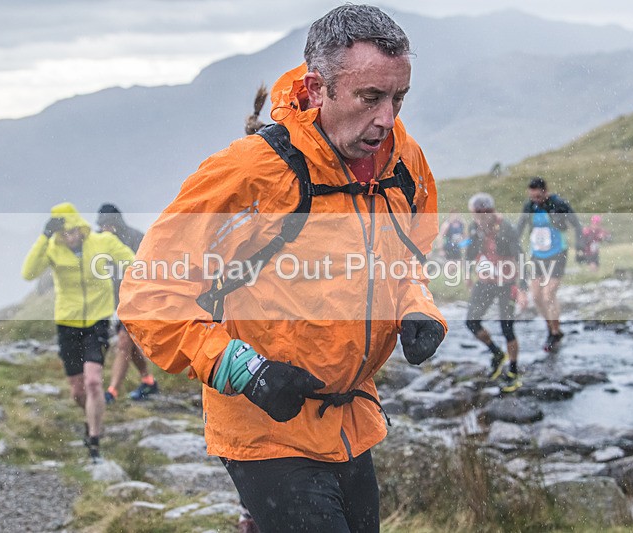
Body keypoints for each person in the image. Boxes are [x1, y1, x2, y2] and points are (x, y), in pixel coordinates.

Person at [119, 5, 446, 532]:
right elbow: (149, 294)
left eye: (398, 98)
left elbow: (409, 252)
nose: (387, 119)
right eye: (370, 98)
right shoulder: (251, 174)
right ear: (317, 90)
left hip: (351, 419)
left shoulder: (402, 161)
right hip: (265, 430)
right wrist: (243, 371)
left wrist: (416, 307)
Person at [22, 203, 135, 462]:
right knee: (78, 390)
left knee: (94, 382)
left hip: (97, 321)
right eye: (64, 233)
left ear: (81, 227)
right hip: (68, 324)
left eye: (73, 231)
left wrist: (133, 289)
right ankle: (90, 417)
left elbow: (132, 261)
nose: (70, 237)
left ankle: (94, 441)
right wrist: (44, 237)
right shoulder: (52, 249)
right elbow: (28, 273)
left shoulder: (102, 241)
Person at [96, 204, 159, 403]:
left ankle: (111, 392)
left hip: (137, 301)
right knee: (129, 347)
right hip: (116, 304)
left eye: (108, 224)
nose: (105, 228)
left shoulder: (135, 238)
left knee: (124, 343)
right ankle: (148, 381)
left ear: (117, 222)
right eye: (102, 224)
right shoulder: (98, 242)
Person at [463, 193, 526, 393]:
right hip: (486, 281)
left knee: (507, 328)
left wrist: (522, 289)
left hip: (506, 283)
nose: (479, 218)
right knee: (471, 322)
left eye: (483, 214)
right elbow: (470, 251)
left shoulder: (506, 228)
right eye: (476, 214)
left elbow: (520, 256)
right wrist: (467, 274)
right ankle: (497, 354)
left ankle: (514, 370)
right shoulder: (474, 227)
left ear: (491, 211)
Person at [516, 177, 582, 352]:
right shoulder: (529, 206)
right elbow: (520, 227)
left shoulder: (558, 204)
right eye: (532, 196)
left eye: (538, 196)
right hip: (537, 254)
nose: (535, 200)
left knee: (548, 294)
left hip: (557, 253)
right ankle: (551, 328)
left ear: (545, 191)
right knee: (536, 296)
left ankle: (555, 331)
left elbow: (575, 223)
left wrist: (581, 245)